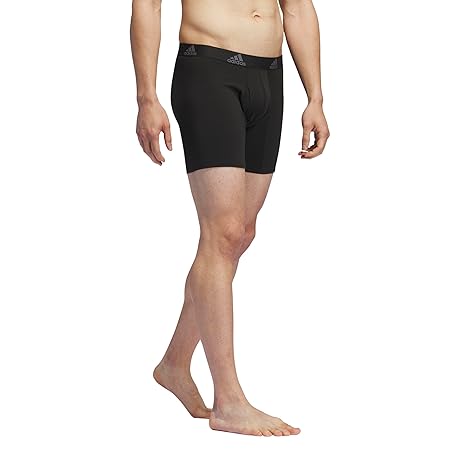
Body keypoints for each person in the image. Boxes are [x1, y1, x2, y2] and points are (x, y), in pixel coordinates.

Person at [130, 0, 330, 437]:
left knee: (239, 234)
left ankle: (175, 364)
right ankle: (229, 401)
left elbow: (298, 8)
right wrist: (147, 97)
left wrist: (315, 96)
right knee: (221, 234)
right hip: (208, 70)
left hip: (269, 76)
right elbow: (147, 5)